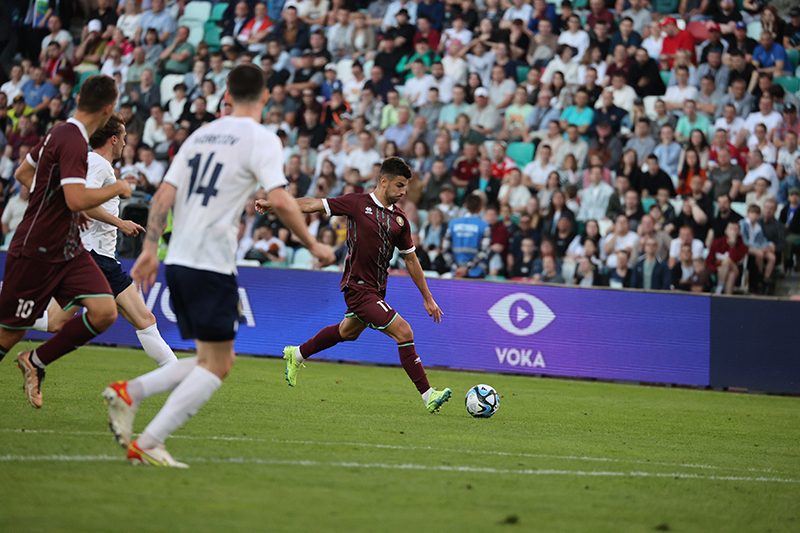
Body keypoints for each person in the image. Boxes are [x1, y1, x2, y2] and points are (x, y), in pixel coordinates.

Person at [103, 65, 335, 468]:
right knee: (219, 364)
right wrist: (314, 242)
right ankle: (148, 434)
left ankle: (131, 396)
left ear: (226, 94)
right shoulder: (262, 138)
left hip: (178, 260)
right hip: (210, 264)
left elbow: (163, 197)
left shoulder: (199, 134)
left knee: (213, 359)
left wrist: (151, 248)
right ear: (265, 98)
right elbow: (280, 199)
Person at [260, 157, 451, 414]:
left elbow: (412, 260)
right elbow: (313, 204)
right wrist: (275, 204)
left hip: (376, 289)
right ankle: (428, 395)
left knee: (347, 332)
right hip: (358, 289)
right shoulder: (357, 203)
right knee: (404, 332)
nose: (404, 191)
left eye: (405, 186)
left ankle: (296, 354)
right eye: (399, 185)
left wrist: (428, 297)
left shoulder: (400, 220)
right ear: (383, 181)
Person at [0, 75, 131, 409]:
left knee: (104, 312)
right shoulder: (73, 140)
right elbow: (75, 199)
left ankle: (35, 362)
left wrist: (62, 205)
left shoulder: (58, 131)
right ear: (108, 107)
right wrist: (117, 188)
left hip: (69, 248)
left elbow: (24, 175)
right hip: (37, 251)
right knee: (9, 333)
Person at [34, 113, 178, 370]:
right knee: (145, 319)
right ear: (113, 139)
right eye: (123, 138)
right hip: (96, 257)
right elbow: (83, 203)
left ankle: (9, 315)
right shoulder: (99, 164)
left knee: (54, 322)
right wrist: (120, 222)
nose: (125, 144)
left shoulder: (88, 162)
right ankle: (178, 375)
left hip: (86, 255)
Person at [707, 221, 748, 294]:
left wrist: (733, 243)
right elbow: (709, 262)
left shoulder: (742, 246)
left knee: (727, 260)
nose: (733, 231)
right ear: (726, 231)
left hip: (736, 270)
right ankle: (727, 298)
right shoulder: (717, 243)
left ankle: (719, 288)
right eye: (731, 229)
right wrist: (717, 269)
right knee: (731, 275)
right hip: (718, 272)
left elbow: (734, 258)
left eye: (735, 229)